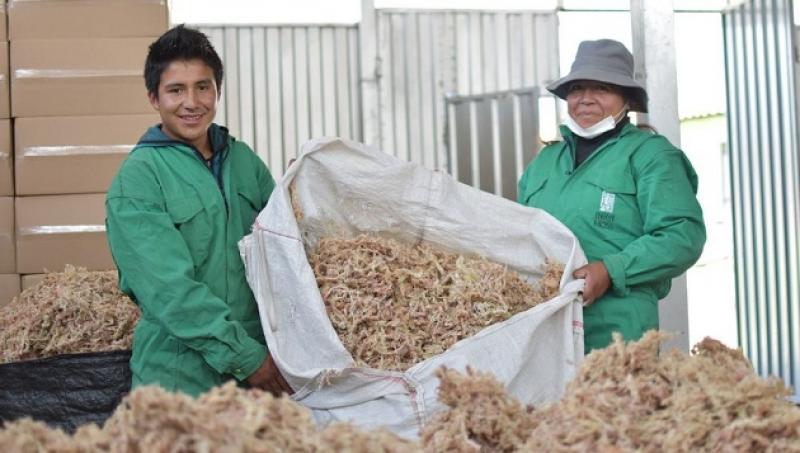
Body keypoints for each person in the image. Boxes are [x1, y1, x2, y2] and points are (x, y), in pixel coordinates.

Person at [106, 25, 291, 396]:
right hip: (180, 378)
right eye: (176, 90)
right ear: (153, 98)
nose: (192, 102)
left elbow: (285, 244)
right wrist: (246, 356)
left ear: (217, 91)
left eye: (202, 87)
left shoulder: (242, 159)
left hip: (261, 373)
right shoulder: (138, 180)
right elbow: (170, 291)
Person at [517, 39, 706, 352]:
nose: (586, 99)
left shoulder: (650, 156)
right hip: (545, 335)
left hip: (618, 337)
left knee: (614, 401)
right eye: (577, 88)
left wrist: (610, 270)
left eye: (602, 89)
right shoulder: (544, 163)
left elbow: (681, 236)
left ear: (627, 100)